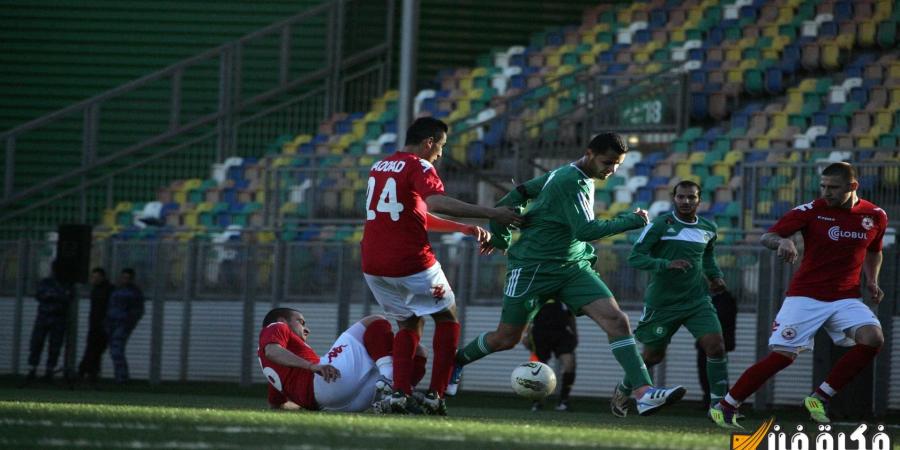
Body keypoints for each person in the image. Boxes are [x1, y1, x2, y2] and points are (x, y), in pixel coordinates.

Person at [451, 132, 686, 416]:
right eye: (608, 162)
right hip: (532, 269)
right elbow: (585, 231)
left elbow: (520, 193)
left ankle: (643, 392)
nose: (611, 170)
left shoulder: (566, 173)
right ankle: (457, 361)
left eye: (617, 165)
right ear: (589, 153)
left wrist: (502, 234)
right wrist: (631, 220)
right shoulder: (570, 181)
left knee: (617, 321)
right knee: (506, 338)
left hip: (572, 268)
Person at [360, 117, 523, 414]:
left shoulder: (380, 166)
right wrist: (491, 214)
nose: (441, 154)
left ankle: (399, 393)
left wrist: (464, 228)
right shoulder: (420, 166)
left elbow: (413, 214)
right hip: (411, 262)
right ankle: (436, 395)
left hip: (373, 265)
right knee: (447, 318)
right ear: (429, 143)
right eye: (441, 147)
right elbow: (435, 202)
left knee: (409, 323)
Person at [711, 162, 887, 429]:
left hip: (846, 298)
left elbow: (874, 250)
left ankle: (820, 396)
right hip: (806, 296)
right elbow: (767, 236)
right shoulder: (810, 211)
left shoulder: (875, 215)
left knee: (873, 338)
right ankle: (725, 406)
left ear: (853, 187)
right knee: (783, 356)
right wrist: (782, 241)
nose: (826, 192)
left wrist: (871, 280)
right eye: (823, 186)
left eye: (833, 187)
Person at [611, 180, 731, 418]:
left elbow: (707, 258)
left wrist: (715, 276)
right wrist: (666, 264)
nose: (686, 202)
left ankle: (720, 407)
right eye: (681, 197)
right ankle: (624, 390)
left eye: (691, 197)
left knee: (716, 347)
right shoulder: (660, 224)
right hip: (663, 303)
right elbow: (635, 257)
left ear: (700, 200)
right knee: (653, 356)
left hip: (697, 301)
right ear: (673, 198)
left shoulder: (708, 228)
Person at [258, 308, 419, 412]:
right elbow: (272, 350)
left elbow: (276, 405)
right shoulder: (276, 326)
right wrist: (311, 366)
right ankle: (390, 378)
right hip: (327, 383)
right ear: (282, 320)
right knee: (376, 320)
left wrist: (305, 405)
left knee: (417, 353)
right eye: (300, 321)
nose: (307, 329)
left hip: (333, 405)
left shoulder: (277, 367)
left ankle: (397, 398)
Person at [521, 299, 578, 412]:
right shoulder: (537, 295)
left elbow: (571, 315)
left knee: (570, 364)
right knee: (539, 368)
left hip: (561, 333)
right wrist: (525, 334)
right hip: (540, 333)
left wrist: (575, 334)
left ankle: (563, 401)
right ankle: (537, 401)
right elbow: (528, 314)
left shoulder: (564, 295)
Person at [26, 260, 74, 381]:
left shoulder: (67, 283)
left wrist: (52, 296)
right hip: (43, 318)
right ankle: (32, 368)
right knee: (37, 343)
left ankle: (50, 370)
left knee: (55, 346)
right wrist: (56, 296)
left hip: (58, 319)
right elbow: (40, 295)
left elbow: (67, 298)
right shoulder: (46, 282)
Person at [695, 286, 737, 407]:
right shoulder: (711, 299)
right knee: (705, 371)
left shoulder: (725, 299)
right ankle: (710, 398)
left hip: (717, 342)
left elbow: (720, 318)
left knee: (716, 372)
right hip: (705, 341)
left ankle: (720, 400)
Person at [105, 268, 145, 384]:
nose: (124, 280)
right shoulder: (116, 290)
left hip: (122, 324)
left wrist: (128, 322)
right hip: (112, 323)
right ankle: (120, 376)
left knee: (116, 350)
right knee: (114, 350)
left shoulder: (134, 293)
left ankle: (121, 377)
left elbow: (138, 311)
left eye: (127, 278)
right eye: (123, 277)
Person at [78, 267, 114, 382]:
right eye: (93, 277)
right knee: (94, 350)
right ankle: (91, 372)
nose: (94, 279)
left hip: (102, 325)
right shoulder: (97, 290)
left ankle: (84, 371)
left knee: (94, 350)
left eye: (96, 277)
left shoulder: (106, 290)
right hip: (95, 324)